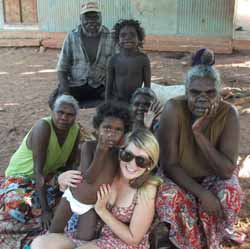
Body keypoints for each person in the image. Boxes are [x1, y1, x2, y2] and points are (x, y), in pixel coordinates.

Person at [155, 51, 243, 248]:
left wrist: (199, 134)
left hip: (213, 176)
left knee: (231, 193)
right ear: (186, 93)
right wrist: (202, 194)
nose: (202, 98)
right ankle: (181, 239)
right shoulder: (174, 109)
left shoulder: (228, 114)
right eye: (195, 93)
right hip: (179, 176)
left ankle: (215, 237)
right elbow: (169, 164)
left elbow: (227, 170)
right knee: (169, 196)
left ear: (219, 93)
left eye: (210, 93)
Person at [31, 128, 162, 249]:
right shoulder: (109, 170)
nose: (132, 164)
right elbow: (82, 176)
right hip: (92, 232)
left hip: (121, 242)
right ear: (120, 152)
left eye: (141, 161)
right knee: (39, 244)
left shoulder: (147, 188)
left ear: (150, 165)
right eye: (127, 155)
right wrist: (62, 178)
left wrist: (102, 210)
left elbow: (133, 238)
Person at [48, 101, 133, 241]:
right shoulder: (89, 147)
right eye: (107, 128)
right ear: (97, 129)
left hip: (92, 206)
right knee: (54, 232)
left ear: (123, 134)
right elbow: (89, 178)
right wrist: (101, 152)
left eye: (118, 130)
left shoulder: (119, 155)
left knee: (84, 240)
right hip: (71, 197)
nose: (111, 133)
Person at [3, 95, 80, 230]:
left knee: (72, 201)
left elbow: (68, 166)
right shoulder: (43, 127)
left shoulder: (75, 130)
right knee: (19, 207)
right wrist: (45, 211)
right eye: (60, 112)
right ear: (52, 112)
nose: (64, 118)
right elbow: (37, 172)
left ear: (75, 117)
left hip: (49, 176)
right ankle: (41, 217)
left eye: (70, 115)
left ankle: (38, 220)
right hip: (21, 177)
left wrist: (63, 192)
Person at [49, 1, 114, 108]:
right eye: (87, 18)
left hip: (100, 86)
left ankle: (86, 104)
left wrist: (110, 90)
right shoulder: (72, 36)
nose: (91, 21)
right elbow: (62, 68)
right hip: (76, 84)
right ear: (81, 19)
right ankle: (89, 104)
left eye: (95, 17)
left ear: (101, 18)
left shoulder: (110, 37)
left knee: (117, 99)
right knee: (55, 100)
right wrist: (66, 94)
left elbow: (117, 66)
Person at [105, 19, 151, 103]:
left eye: (132, 35)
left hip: (136, 102)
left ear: (139, 39)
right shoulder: (113, 60)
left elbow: (147, 87)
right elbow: (109, 87)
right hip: (118, 101)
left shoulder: (143, 59)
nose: (128, 38)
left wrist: (146, 102)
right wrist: (107, 105)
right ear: (117, 39)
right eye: (123, 35)